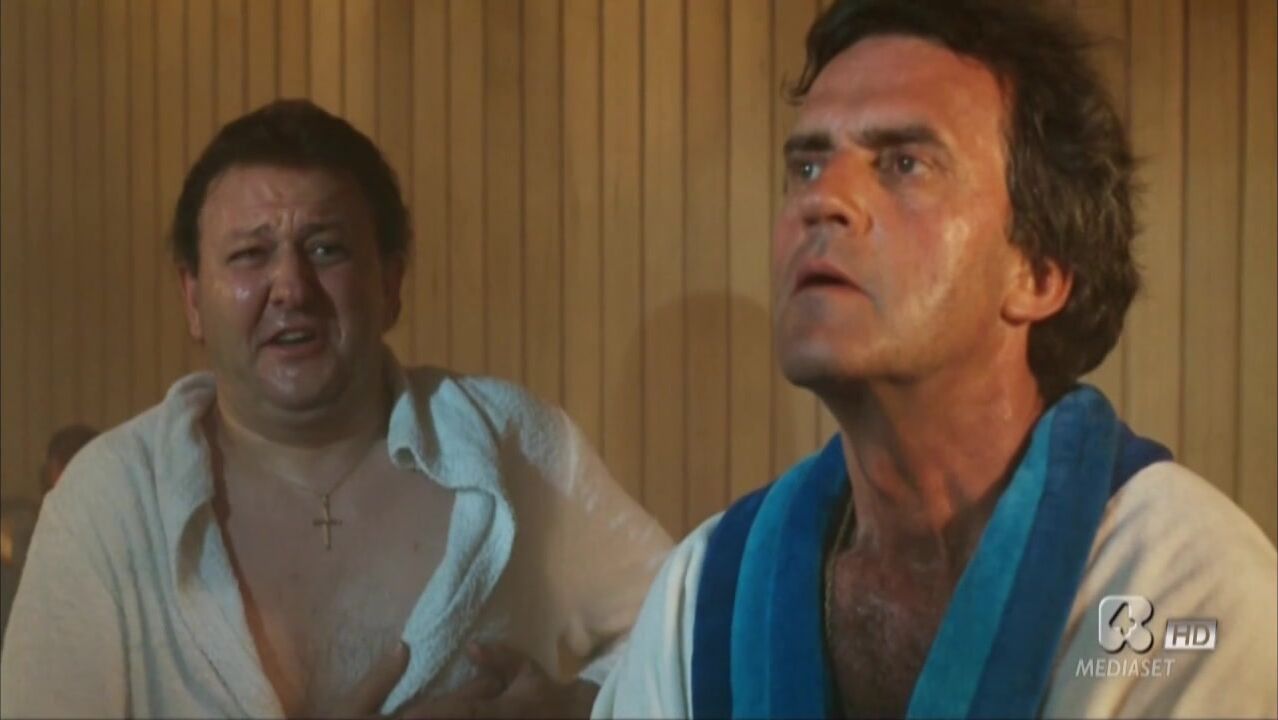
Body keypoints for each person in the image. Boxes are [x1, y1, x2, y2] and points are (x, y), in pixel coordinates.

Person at [592, 1, 1277, 718]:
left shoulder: (1184, 589)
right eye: (807, 165)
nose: (823, 200)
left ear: (1039, 272)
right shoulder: (703, 601)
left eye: (904, 164)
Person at [0, 100, 672, 718]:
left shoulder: (516, 446)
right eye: (249, 255)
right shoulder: (110, 503)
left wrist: (579, 705)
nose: (291, 287)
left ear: (391, 281)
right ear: (193, 297)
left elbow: (680, 641)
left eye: (326, 249)